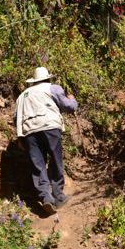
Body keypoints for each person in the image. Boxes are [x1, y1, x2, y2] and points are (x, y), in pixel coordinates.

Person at [14, 66, 78, 212]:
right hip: (50, 127)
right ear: (48, 78)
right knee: (55, 159)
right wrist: (73, 100)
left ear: (33, 81)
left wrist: (20, 138)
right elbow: (68, 106)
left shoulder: (22, 96)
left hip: (29, 131)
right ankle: (58, 195)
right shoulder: (52, 88)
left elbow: (16, 118)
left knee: (38, 165)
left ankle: (46, 198)